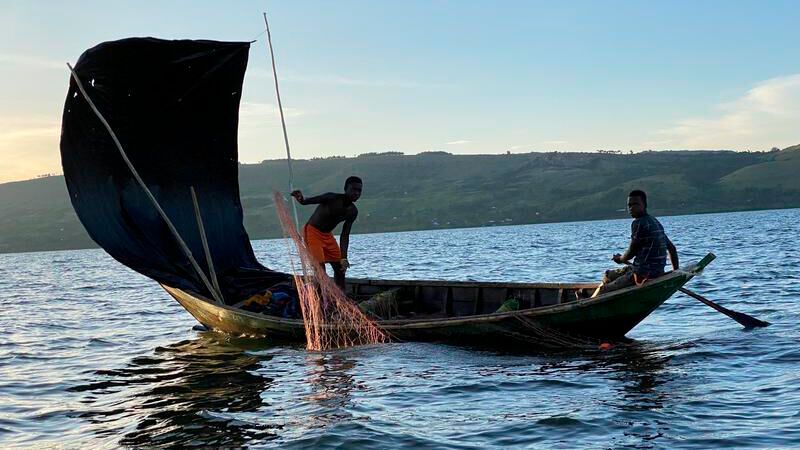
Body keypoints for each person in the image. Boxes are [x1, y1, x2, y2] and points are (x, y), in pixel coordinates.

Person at [587, 190, 679, 298]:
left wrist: (620, 259)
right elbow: (672, 249)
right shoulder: (654, 221)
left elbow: (631, 252)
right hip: (651, 271)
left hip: (641, 275)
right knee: (609, 275)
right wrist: (675, 271)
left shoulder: (639, 223)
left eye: (635, 204)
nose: (631, 208)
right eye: (629, 205)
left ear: (644, 205)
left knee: (602, 291)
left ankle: (588, 299)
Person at [291, 176, 362, 290]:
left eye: (359, 190)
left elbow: (345, 234)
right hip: (312, 232)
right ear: (345, 189)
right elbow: (307, 201)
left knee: (340, 268)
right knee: (320, 269)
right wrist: (301, 198)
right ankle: (321, 299)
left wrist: (344, 257)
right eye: (353, 189)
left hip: (327, 236)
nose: (356, 193)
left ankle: (341, 298)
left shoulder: (353, 211)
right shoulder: (332, 197)